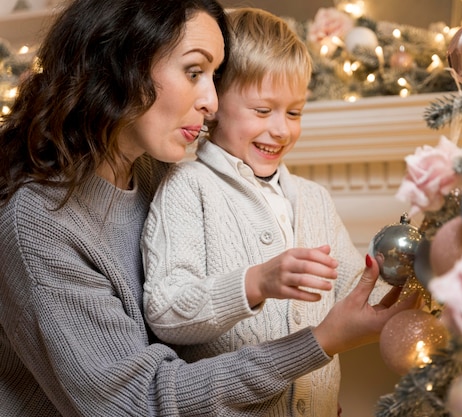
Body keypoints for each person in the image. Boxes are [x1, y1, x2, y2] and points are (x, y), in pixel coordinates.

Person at [0, 0, 416, 416]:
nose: (213, 104)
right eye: (194, 72)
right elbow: (139, 403)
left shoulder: (159, 173)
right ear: (122, 62)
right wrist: (317, 344)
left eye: (216, 77)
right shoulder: (39, 222)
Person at [141, 7, 400, 416]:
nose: (281, 130)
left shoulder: (314, 199)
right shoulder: (188, 187)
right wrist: (256, 282)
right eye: (263, 111)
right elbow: (166, 308)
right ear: (214, 103)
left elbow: (355, 288)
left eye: (294, 112)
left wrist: (419, 272)